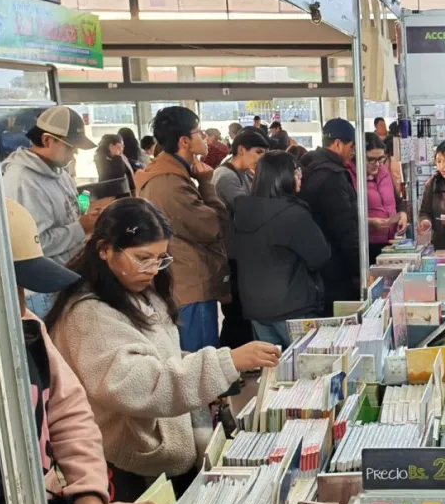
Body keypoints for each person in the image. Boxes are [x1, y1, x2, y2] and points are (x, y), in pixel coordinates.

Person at [45, 198, 281, 502]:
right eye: (143, 258)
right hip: (132, 469)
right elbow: (140, 385)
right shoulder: (87, 315)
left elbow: (161, 359)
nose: (153, 269)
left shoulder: (140, 293)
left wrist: (228, 367)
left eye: (161, 258)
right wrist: (225, 362)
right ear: (104, 250)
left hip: (162, 457)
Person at [0, 198, 166, 504]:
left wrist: (88, 494)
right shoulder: (87, 312)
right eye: (7, 288)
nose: (21, 305)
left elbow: (68, 411)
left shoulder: (24, 327)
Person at [134, 106, 229, 353]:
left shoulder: (173, 173)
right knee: (200, 366)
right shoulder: (169, 183)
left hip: (183, 279)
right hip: (188, 283)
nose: (205, 137)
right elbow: (212, 227)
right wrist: (208, 186)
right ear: (184, 141)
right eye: (199, 132)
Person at [1, 106, 100, 317]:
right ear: (47, 140)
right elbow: (35, 247)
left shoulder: (59, 171)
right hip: (42, 290)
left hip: (67, 275)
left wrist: (86, 217)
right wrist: (81, 227)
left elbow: (67, 215)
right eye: (70, 147)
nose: (74, 155)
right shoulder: (21, 181)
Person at [233, 152, 331, 346]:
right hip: (293, 306)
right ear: (283, 176)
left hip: (255, 307)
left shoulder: (242, 212)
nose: (300, 175)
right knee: (304, 367)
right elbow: (319, 256)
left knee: (273, 370)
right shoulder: (293, 214)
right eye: (296, 171)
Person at [212, 129, 270, 350]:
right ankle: (233, 355)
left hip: (242, 251)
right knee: (235, 309)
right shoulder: (225, 176)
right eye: (258, 152)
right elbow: (248, 208)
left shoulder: (245, 174)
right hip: (230, 253)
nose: (260, 158)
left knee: (243, 308)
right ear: (241, 150)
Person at [298, 118, 360, 316]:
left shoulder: (307, 166)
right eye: (351, 146)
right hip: (336, 265)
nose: (353, 152)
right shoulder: (333, 176)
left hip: (312, 263)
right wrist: (357, 270)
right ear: (338, 143)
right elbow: (345, 228)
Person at [364, 132, 407, 262]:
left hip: (391, 241)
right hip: (368, 244)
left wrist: (402, 213)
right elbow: (349, 215)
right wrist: (369, 221)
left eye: (381, 159)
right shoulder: (351, 176)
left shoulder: (384, 171)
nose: (377, 164)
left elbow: (397, 199)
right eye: (371, 159)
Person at [213, 129, 269, 214]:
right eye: (258, 152)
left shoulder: (246, 172)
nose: (262, 158)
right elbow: (249, 211)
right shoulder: (227, 177)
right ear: (241, 150)